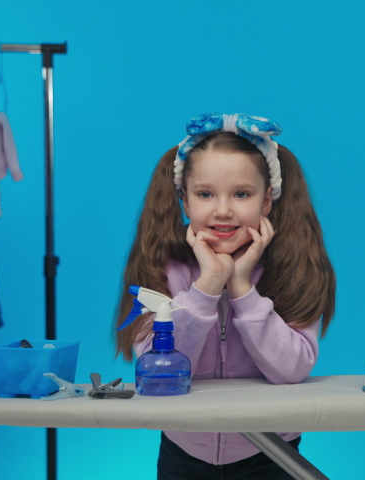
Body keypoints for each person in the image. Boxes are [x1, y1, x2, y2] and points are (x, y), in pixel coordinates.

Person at [113, 112, 336, 480]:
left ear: (267, 202)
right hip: (184, 454)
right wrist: (208, 285)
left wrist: (242, 288)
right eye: (205, 194)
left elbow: (292, 369)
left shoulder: (293, 269)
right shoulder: (161, 269)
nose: (222, 210)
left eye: (242, 194)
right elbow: (157, 374)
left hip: (273, 453)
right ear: (184, 202)